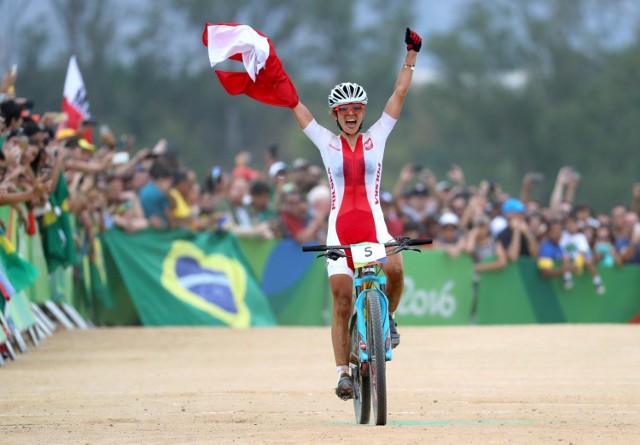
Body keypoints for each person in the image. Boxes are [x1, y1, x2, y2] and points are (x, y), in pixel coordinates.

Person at [290, 27, 422, 400]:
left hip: (372, 221)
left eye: (356, 109)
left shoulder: (377, 135)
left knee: (395, 269)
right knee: (342, 298)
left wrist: (411, 55)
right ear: (334, 114)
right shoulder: (324, 140)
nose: (350, 114)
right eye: (343, 110)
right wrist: (277, 80)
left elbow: (399, 93)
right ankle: (342, 373)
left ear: (363, 112)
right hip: (339, 227)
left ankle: (389, 319)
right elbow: (295, 106)